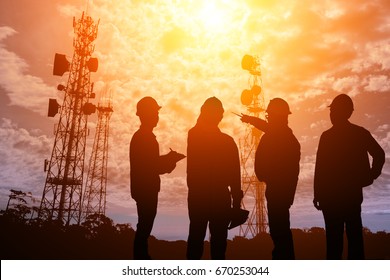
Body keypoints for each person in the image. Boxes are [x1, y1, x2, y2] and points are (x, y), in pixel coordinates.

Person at [313, 94, 385, 259]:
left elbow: (320, 168)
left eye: (333, 111)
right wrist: (371, 175)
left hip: (333, 198)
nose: (331, 115)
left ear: (342, 112)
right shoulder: (358, 133)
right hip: (346, 196)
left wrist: (318, 194)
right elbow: (320, 167)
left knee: (335, 243)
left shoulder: (328, 137)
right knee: (353, 241)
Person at [240, 98, 300, 259]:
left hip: (278, 193)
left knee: (280, 233)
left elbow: (291, 172)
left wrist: (250, 119)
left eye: (270, 115)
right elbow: (266, 127)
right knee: (279, 232)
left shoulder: (282, 137)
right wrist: (250, 119)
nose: (268, 118)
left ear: (276, 116)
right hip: (278, 193)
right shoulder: (283, 135)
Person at [186, 97, 243, 260]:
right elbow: (235, 177)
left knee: (196, 242)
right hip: (219, 199)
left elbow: (234, 176)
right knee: (218, 246)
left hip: (199, 198)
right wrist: (236, 204)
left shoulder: (194, 135)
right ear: (220, 116)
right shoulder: (227, 142)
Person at [130, 96, 185, 260]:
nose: (157, 116)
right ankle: (141, 259)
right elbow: (150, 166)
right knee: (144, 226)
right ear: (145, 115)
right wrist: (170, 161)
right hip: (146, 189)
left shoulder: (144, 136)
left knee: (144, 225)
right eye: (154, 113)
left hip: (144, 188)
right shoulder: (144, 137)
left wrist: (168, 160)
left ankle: (142, 257)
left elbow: (150, 163)